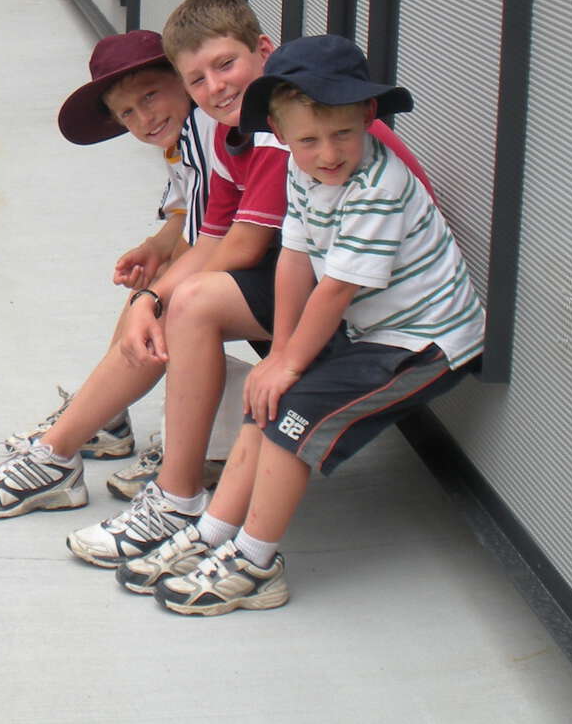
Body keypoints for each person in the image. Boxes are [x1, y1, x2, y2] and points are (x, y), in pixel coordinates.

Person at [118, 35, 486, 615]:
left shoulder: (376, 188)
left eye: (342, 134)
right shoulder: (301, 171)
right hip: (369, 330)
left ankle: (256, 563)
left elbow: (336, 289)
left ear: (369, 117)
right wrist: (280, 356)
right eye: (308, 139)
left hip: (423, 342)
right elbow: (294, 260)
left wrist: (289, 363)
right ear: (283, 136)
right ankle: (214, 531)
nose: (328, 153)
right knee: (267, 396)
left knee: (292, 416)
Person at [0, 0, 279, 540]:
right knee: (152, 291)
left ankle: (76, 446)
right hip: (272, 270)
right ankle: (100, 418)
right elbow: (198, 221)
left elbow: (231, 242)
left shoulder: (218, 126)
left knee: (168, 301)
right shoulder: (204, 134)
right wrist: (158, 248)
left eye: (152, 95)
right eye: (128, 112)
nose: (145, 117)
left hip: (316, 287)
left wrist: (158, 290)